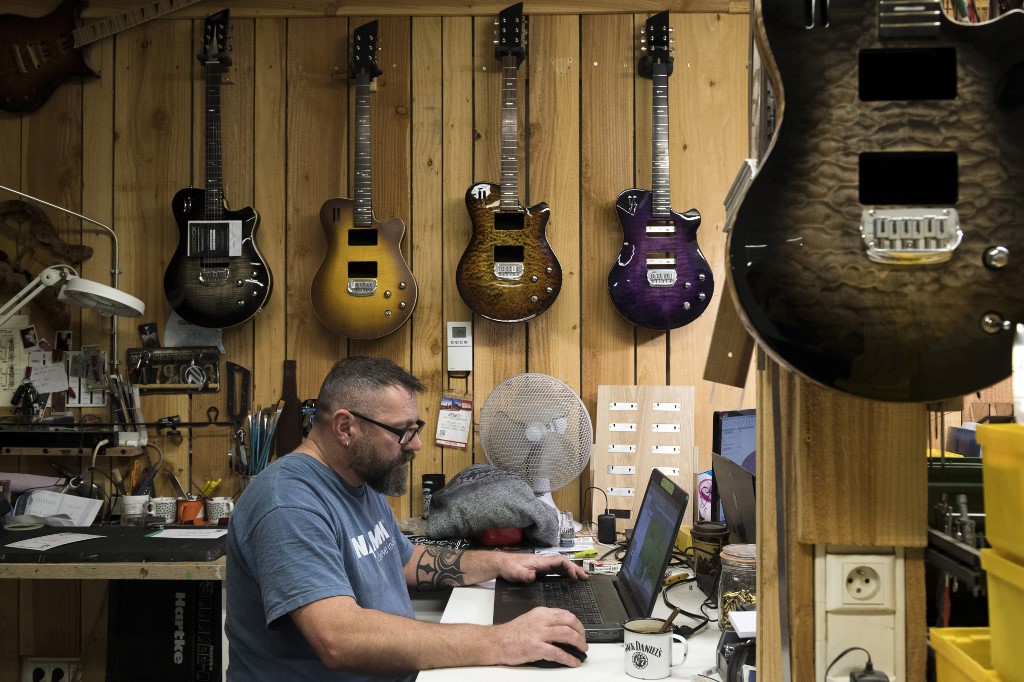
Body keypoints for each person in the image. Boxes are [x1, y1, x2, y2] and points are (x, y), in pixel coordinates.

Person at [226, 356, 589, 680]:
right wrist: (503, 640)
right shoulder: (288, 504)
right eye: (403, 431)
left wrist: (503, 563)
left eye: (415, 427)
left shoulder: (359, 479)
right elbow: (339, 640)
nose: (415, 444)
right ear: (345, 427)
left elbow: (403, 561)